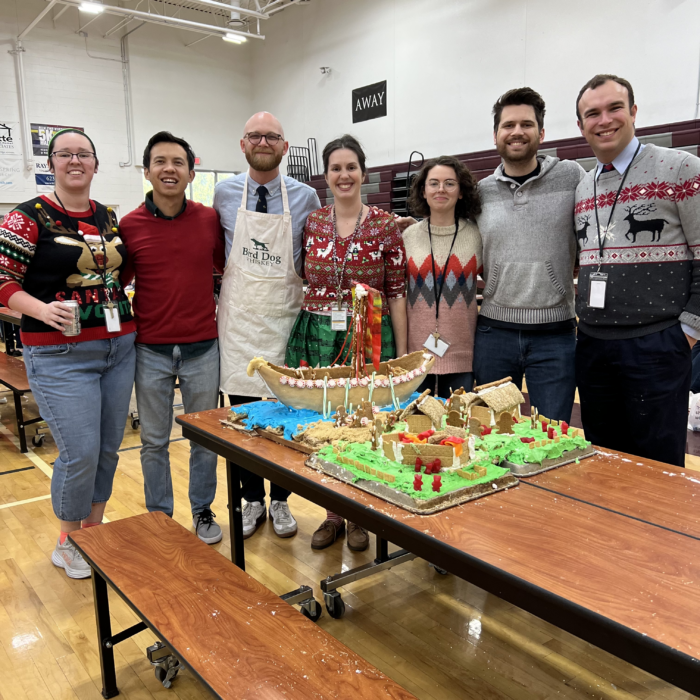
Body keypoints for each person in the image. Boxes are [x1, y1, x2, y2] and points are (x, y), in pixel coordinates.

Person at [0, 129, 136, 578]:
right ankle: (67, 539)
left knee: (108, 450)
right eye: (65, 154)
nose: (75, 161)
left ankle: (93, 533)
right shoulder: (28, 217)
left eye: (84, 154)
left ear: (96, 164)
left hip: (119, 347)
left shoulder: (108, 216)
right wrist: (42, 310)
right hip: (60, 354)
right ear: (51, 163)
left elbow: (118, 271)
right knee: (79, 451)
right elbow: (2, 281)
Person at [285, 134, 407, 551]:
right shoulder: (314, 222)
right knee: (324, 424)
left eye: (350, 167)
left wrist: (401, 356)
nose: (344, 175)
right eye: (336, 168)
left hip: (369, 332)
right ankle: (331, 513)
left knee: (361, 423)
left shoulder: (386, 225)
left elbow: (396, 293)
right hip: (317, 333)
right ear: (325, 175)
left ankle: (357, 515)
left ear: (363, 172)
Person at [574, 74, 700, 467]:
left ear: (633, 112)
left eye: (614, 108)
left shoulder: (680, 168)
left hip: (657, 343)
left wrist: (688, 332)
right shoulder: (583, 187)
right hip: (593, 343)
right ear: (581, 126)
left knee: (656, 466)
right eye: (592, 113)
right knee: (602, 459)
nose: (604, 120)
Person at [214, 112, 320, 540]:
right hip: (240, 327)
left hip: (285, 324)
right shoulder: (223, 194)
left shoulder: (307, 197)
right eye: (255, 136)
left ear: (284, 146)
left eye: (271, 136)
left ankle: (280, 501)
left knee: (286, 418)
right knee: (243, 421)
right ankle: (251, 500)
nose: (263, 142)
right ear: (243, 144)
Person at [120, 132, 225, 543]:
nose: (169, 169)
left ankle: (202, 511)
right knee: (153, 441)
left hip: (203, 348)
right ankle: (159, 516)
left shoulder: (208, 219)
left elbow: (223, 268)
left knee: (204, 438)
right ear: (147, 171)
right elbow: (117, 280)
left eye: (178, 162)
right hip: (150, 350)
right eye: (160, 162)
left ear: (191, 171)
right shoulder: (128, 226)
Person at [474, 87, 585, 423]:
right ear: (496, 134)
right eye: (508, 125)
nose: (517, 132)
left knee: (553, 436)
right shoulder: (480, 192)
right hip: (494, 333)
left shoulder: (571, 177)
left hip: (555, 335)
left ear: (541, 132)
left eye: (526, 124)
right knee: (491, 436)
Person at [402, 156, 482, 398]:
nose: (441, 189)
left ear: (460, 192)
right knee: (413, 428)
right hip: (416, 356)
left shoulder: (477, 236)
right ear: (423, 191)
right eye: (433, 183)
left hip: (462, 354)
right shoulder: (408, 236)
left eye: (449, 183)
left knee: (457, 428)